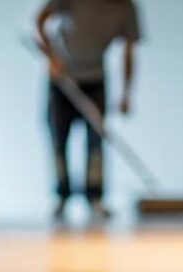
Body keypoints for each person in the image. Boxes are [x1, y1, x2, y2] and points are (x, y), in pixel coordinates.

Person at [35, 0, 142, 220]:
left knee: (96, 140)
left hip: (95, 79)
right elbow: (40, 19)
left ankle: (95, 197)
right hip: (62, 78)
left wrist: (126, 94)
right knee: (58, 137)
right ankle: (61, 196)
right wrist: (51, 55)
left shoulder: (125, 7)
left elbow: (128, 50)